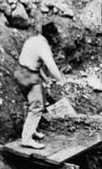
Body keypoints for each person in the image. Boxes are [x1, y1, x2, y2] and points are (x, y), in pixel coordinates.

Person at [14, 22, 66, 150]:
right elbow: (50, 65)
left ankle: (32, 130)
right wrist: (60, 79)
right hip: (29, 77)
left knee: (37, 100)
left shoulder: (33, 40)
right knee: (36, 107)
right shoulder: (43, 47)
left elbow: (34, 61)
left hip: (21, 72)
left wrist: (45, 78)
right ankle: (26, 139)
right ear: (51, 37)